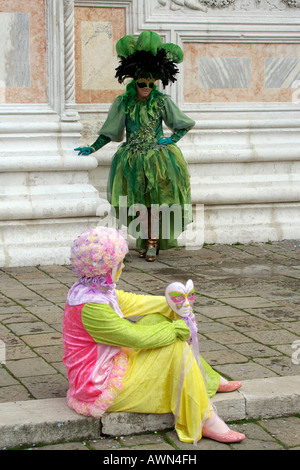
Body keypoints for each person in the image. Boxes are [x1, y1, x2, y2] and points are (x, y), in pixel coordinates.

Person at [62, 226, 245, 444]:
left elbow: (134, 302)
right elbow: (136, 337)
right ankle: (205, 419)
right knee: (174, 344)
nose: (122, 266)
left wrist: (174, 302)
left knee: (159, 318)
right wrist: (175, 330)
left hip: (105, 367)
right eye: (119, 262)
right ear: (107, 267)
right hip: (97, 387)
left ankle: (206, 379)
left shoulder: (91, 288)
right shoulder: (91, 306)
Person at [75, 31, 195, 261]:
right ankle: (148, 238)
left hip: (159, 160)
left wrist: (172, 139)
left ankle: (152, 242)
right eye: (143, 83)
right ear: (134, 82)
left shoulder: (161, 102)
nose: (147, 87)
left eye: (151, 83)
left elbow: (183, 124)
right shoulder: (124, 103)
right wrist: (93, 147)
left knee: (157, 202)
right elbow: (110, 131)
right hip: (131, 159)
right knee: (137, 202)